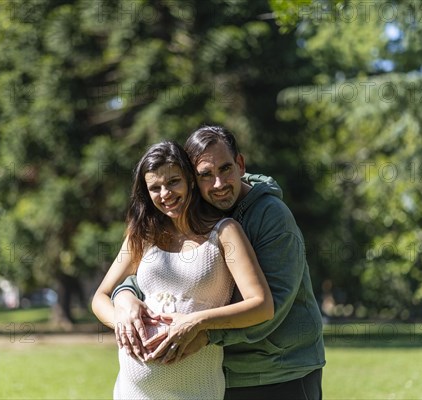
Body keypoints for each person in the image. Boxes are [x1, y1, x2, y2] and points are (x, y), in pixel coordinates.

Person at [112, 126, 326, 399]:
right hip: (224, 373)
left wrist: (204, 333)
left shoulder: (272, 217)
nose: (218, 184)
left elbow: (274, 303)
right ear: (192, 178)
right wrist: (125, 294)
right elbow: (166, 269)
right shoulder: (201, 212)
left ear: (240, 164)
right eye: (205, 175)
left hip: (281, 370)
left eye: (225, 169)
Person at [92, 140, 274, 399]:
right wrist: (120, 317)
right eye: (155, 188)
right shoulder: (143, 234)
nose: (165, 193)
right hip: (133, 390)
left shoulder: (225, 233)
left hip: (197, 388)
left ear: (190, 180)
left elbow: (262, 306)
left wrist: (196, 322)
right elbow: (100, 297)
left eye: (173, 181)